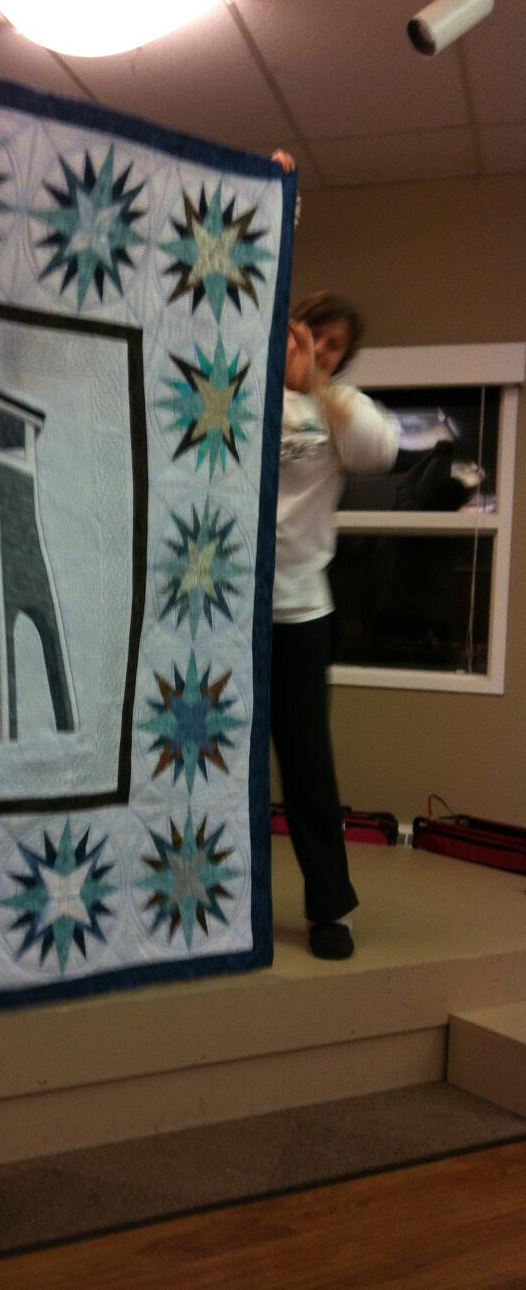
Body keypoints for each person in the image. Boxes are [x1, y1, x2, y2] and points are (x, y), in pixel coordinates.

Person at [272, 294, 399, 958]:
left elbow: (382, 451)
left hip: (300, 611)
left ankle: (330, 906)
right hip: (222, 611)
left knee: (307, 763)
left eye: (334, 346)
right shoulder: (241, 391)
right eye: (312, 335)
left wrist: (317, 385)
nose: (320, 350)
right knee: (210, 760)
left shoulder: (340, 406)